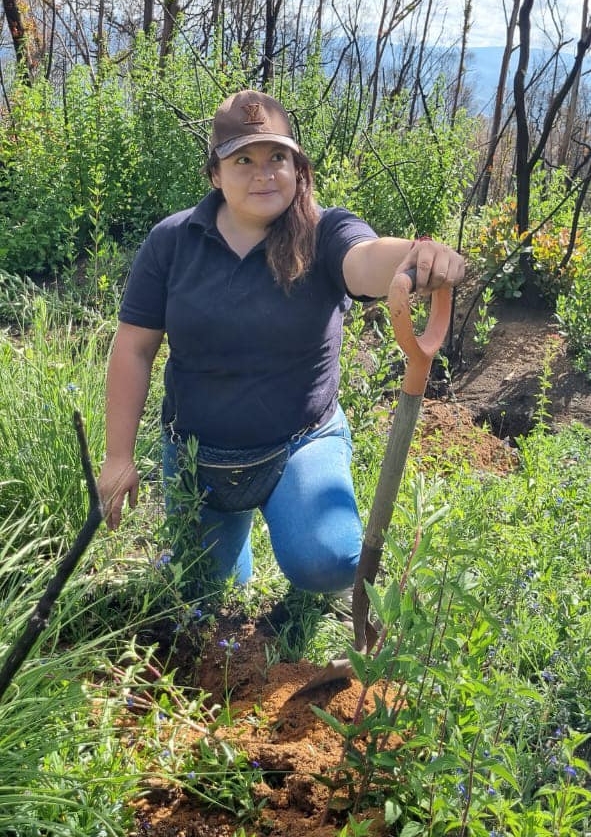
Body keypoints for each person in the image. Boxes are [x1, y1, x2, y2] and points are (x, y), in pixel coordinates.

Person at [97, 90, 463, 603]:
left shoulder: (324, 232)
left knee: (329, 561)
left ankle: (304, 553)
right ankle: (229, 542)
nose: (263, 173)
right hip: (199, 454)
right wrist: (118, 456)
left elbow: (366, 261)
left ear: (298, 168)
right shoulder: (171, 242)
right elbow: (134, 348)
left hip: (299, 443)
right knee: (204, 590)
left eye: (277, 158)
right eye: (242, 159)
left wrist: (418, 257)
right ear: (215, 174)